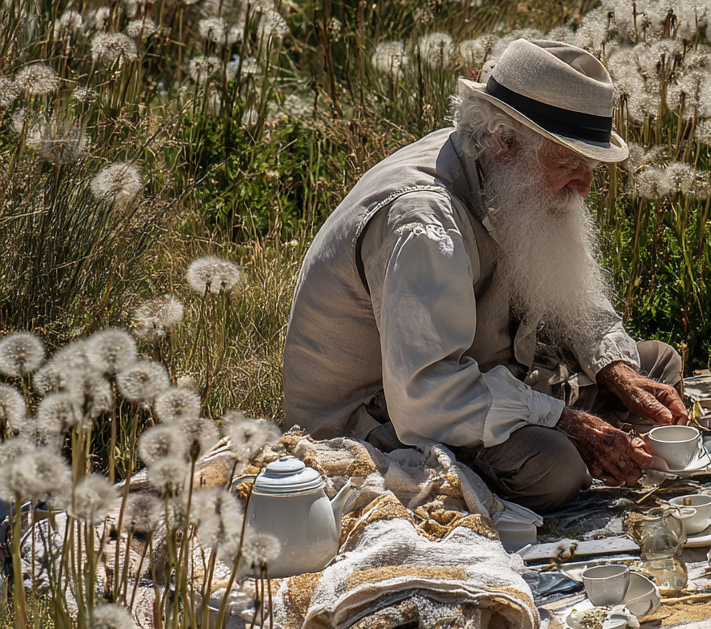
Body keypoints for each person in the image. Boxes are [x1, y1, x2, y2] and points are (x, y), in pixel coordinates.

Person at [282, 39, 689, 512]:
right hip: (384, 417)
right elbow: (427, 394)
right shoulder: (422, 221)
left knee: (654, 367)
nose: (584, 185)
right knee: (554, 468)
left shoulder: (499, 171)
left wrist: (613, 369)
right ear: (506, 141)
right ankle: (579, 456)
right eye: (568, 164)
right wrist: (571, 423)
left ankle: (595, 445)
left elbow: (574, 299)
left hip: (480, 375)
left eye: (590, 166)